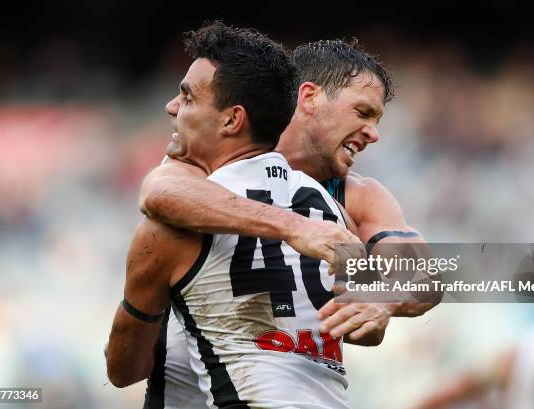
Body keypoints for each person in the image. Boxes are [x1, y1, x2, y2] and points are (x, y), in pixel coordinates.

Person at [138, 38, 440, 408]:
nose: (373, 134)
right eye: (362, 112)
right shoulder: (216, 158)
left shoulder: (357, 196)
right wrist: (294, 227)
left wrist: (382, 300)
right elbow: (158, 194)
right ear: (309, 97)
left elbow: (425, 274)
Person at [106, 21, 361, 409]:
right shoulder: (334, 211)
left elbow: (123, 370)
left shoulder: (173, 225)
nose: (172, 107)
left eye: (188, 98)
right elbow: (410, 288)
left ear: (231, 120)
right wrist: (385, 300)